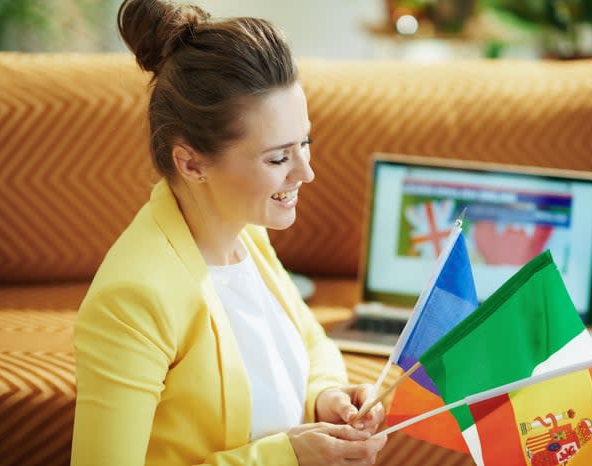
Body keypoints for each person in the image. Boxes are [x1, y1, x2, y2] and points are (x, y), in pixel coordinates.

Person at [70, 1, 387, 464]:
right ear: (192, 163)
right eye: (278, 158)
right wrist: (287, 457)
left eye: (305, 143)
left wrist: (326, 394)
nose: (307, 172)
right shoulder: (133, 300)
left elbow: (310, 339)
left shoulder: (245, 236)